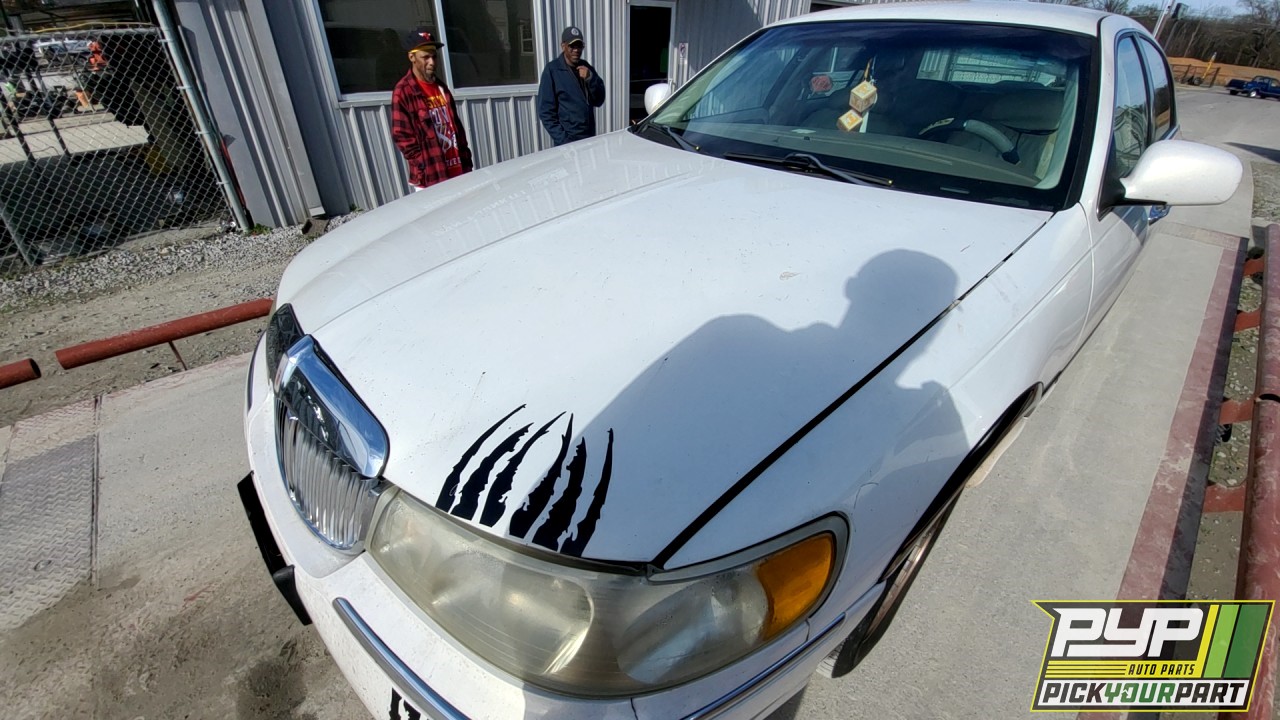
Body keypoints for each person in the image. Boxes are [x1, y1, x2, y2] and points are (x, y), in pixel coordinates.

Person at [391, 27, 473, 192]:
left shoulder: (441, 87)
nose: (432, 62)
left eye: (434, 56)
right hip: (430, 176)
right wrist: (422, 164)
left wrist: (466, 159)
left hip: (458, 169)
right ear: (412, 57)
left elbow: (455, 127)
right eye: (425, 57)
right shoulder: (403, 91)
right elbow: (402, 136)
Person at [537, 26, 606, 146]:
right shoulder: (552, 70)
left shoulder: (586, 67)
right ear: (563, 46)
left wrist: (591, 78)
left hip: (588, 137)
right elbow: (546, 112)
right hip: (567, 140)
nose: (576, 50)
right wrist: (563, 140)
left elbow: (599, 100)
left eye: (579, 46)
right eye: (572, 46)